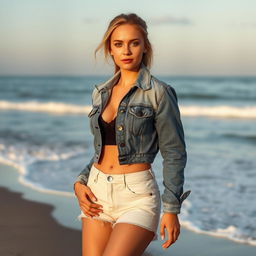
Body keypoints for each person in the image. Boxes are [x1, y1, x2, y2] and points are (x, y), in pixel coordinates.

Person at [73, 12, 191, 256]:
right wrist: (80, 182)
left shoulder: (159, 92)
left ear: (144, 47)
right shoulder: (100, 93)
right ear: (110, 49)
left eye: (134, 43)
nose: (126, 51)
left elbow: (174, 152)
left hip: (137, 197)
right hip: (96, 192)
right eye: (119, 44)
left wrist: (171, 209)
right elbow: (103, 149)